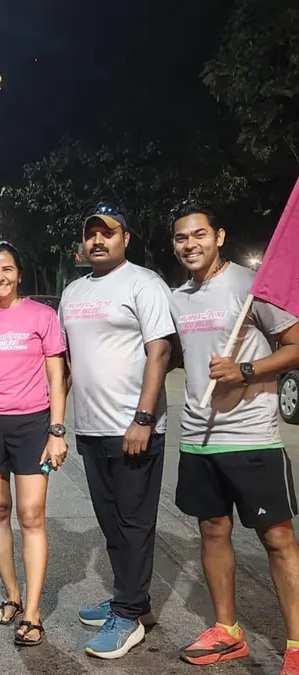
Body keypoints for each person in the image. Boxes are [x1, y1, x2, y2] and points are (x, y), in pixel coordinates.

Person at [168, 201, 299, 674]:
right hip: (198, 440)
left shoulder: (250, 287)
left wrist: (245, 369)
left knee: (278, 538)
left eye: (199, 234)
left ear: (219, 236)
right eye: (181, 238)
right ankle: (228, 632)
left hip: (253, 438)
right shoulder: (176, 297)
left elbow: (296, 346)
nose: (190, 244)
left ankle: (297, 645)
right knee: (211, 530)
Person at [58, 204, 175, 659]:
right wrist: (55, 421)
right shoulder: (71, 292)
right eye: (90, 234)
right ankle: (132, 598)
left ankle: (128, 615)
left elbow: (160, 352)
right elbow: (67, 363)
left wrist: (143, 418)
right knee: (111, 523)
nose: (98, 241)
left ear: (125, 237)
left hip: (133, 428)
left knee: (134, 521)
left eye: (107, 232)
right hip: (91, 428)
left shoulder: (144, 283)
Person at [0, 242, 68, 647]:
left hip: (33, 425)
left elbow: (57, 378)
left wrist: (56, 431)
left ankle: (33, 612)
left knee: (31, 514)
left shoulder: (43, 316)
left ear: (19, 273)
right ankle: (11, 594)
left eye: (7, 269)